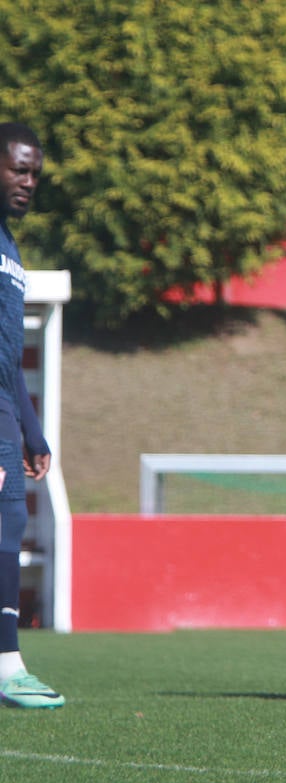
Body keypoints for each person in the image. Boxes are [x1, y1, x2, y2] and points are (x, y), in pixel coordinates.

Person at [0, 123, 62, 710]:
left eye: (34, 173)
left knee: (9, 525)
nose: (28, 182)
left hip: (4, 411)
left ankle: (8, 661)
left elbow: (7, 351)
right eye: (18, 169)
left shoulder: (11, 248)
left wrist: (31, 427)